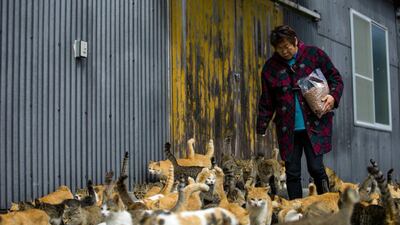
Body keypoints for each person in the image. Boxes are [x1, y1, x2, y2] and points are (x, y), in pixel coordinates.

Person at [256, 25, 343, 200]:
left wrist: (333, 96)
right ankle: (296, 210)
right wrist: (262, 125)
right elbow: (267, 100)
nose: (285, 51)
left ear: (295, 41)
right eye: (280, 49)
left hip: (315, 124)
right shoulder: (270, 68)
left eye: (287, 46)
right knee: (292, 171)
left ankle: (327, 204)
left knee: (316, 168)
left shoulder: (314, 55)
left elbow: (336, 78)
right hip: (288, 129)